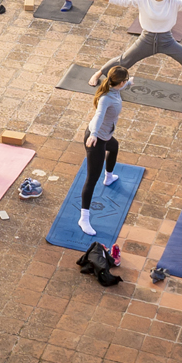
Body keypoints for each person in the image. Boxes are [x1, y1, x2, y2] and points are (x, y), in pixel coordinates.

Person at [77, 64, 128, 236]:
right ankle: (83, 218)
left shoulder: (115, 88)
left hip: (105, 137)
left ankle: (109, 177)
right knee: (91, 180)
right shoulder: (107, 98)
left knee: (115, 147)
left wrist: (130, 83)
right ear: (120, 82)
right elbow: (99, 115)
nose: (126, 83)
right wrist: (94, 134)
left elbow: (122, 86)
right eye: (126, 81)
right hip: (96, 140)